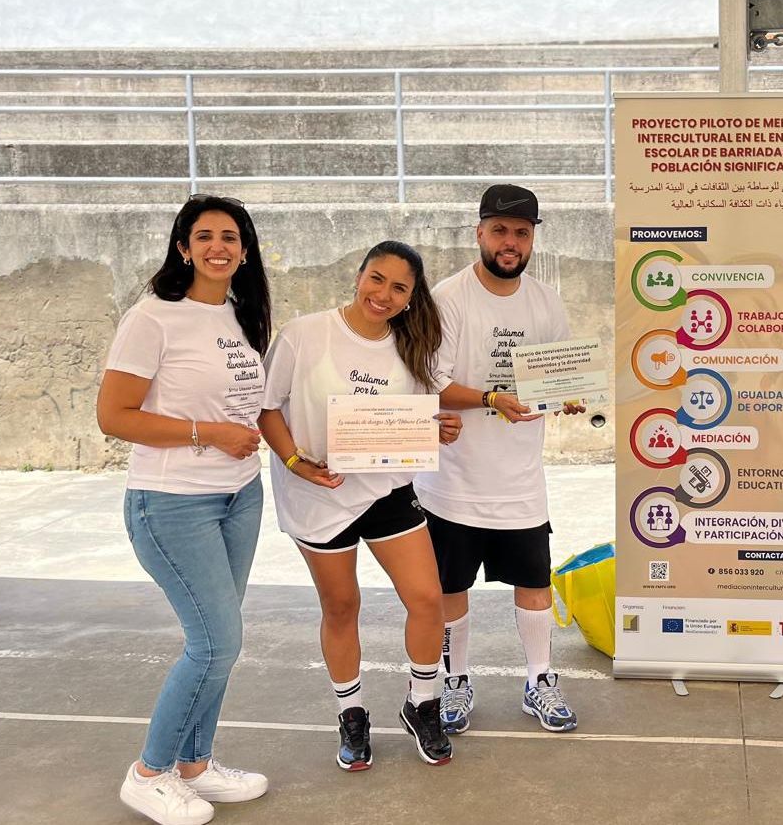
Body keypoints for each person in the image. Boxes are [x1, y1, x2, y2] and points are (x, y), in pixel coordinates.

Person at [97, 195, 272, 825]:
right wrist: (207, 433)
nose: (218, 246)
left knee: (221, 640)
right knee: (215, 643)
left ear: (245, 251)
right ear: (183, 247)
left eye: (230, 236)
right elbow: (114, 415)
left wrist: (297, 459)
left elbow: (260, 407)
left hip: (239, 497)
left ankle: (196, 765)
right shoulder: (152, 317)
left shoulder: (240, 314)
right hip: (172, 504)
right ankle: (149, 772)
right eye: (204, 236)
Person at [257, 241, 464, 770]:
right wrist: (295, 460)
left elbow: (423, 416)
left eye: (399, 288)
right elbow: (265, 409)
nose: (384, 294)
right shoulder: (305, 334)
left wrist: (441, 426)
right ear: (358, 275)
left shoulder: (415, 345)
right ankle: (351, 712)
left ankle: (422, 704)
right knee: (342, 606)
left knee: (427, 599)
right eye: (377, 279)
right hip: (318, 494)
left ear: (411, 297)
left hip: (386, 492)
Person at [412, 184, 587, 735]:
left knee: (535, 582)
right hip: (452, 480)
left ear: (532, 237)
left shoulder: (545, 300)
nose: (510, 242)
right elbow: (430, 383)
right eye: (500, 231)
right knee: (449, 588)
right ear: (479, 233)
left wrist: (567, 391)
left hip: (520, 480)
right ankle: (456, 682)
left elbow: (555, 374)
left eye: (521, 233)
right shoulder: (448, 297)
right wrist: (491, 400)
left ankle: (539, 681)